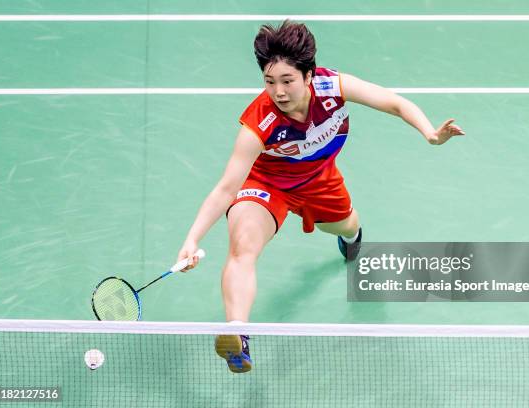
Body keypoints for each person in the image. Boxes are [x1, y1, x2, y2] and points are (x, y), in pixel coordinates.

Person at [176, 20, 464, 373]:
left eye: (287, 81)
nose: (278, 92)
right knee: (243, 246)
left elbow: (393, 103)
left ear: (308, 75)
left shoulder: (333, 86)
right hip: (267, 185)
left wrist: (430, 134)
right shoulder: (258, 124)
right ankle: (239, 335)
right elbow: (225, 188)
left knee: (348, 224)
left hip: (319, 180)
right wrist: (192, 238)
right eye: (269, 82)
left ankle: (351, 236)